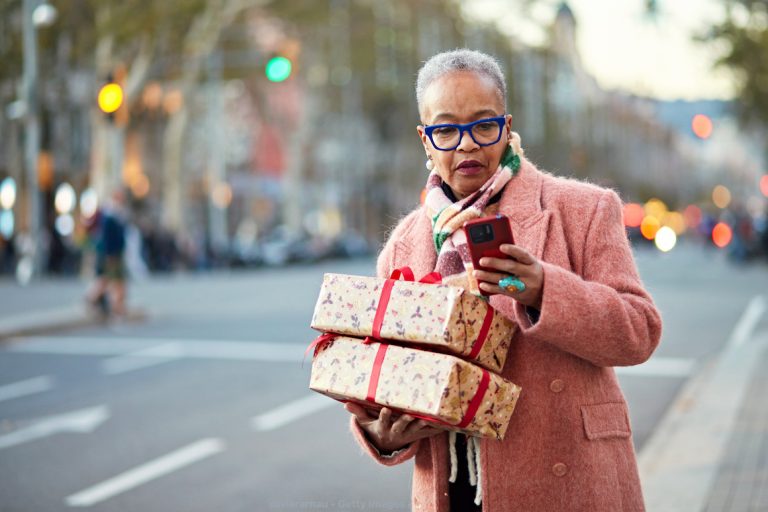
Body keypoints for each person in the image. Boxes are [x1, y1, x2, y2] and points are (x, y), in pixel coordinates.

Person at [344, 49, 662, 512]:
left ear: (507, 126)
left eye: (483, 125)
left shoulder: (584, 209)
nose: (467, 145)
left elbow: (640, 331)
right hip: (455, 490)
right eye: (447, 129)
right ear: (425, 140)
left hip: (569, 482)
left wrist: (543, 290)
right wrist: (382, 433)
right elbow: (387, 376)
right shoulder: (404, 245)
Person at [86, 189, 128, 317]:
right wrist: (110, 254)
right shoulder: (110, 214)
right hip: (111, 253)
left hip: (114, 252)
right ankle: (113, 306)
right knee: (113, 281)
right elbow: (108, 237)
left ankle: (116, 307)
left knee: (114, 281)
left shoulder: (115, 213)